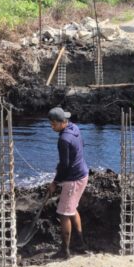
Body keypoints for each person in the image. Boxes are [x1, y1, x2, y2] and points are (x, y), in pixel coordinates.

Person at [46, 107, 89, 259]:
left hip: (73, 180)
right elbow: (78, 149)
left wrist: (55, 183)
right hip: (83, 174)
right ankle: (80, 244)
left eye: (53, 124)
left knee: (63, 214)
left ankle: (65, 251)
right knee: (72, 209)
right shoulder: (74, 127)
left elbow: (64, 166)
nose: (51, 127)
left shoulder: (63, 139)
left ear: (61, 122)